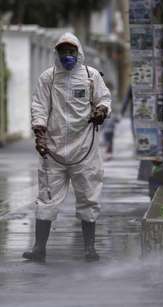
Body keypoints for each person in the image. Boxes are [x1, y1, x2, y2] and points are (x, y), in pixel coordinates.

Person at [24, 32, 111, 262]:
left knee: (88, 197)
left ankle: (89, 248)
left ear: (78, 52)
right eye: (63, 51)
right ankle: (39, 248)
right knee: (46, 197)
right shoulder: (48, 78)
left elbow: (104, 99)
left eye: (71, 51)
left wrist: (101, 111)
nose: (67, 55)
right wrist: (40, 133)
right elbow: (39, 107)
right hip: (52, 151)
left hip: (85, 150)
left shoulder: (91, 76)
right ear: (57, 53)